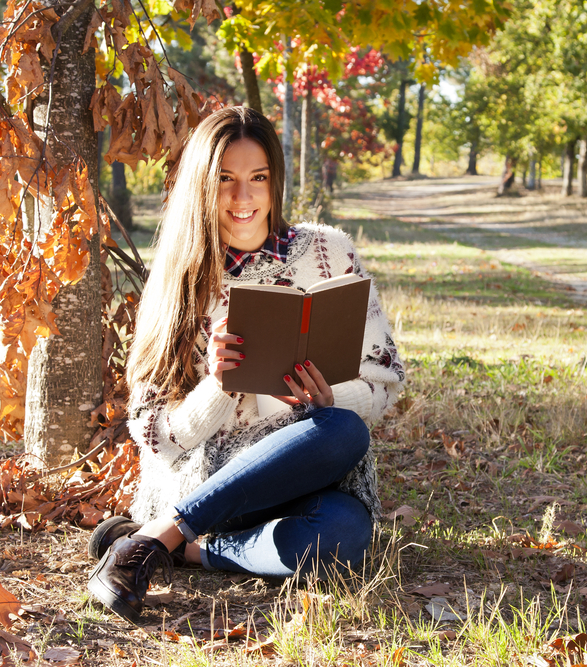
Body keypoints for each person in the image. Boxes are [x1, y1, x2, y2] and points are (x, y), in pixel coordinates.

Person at [87, 107, 404, 623]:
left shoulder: (330, 252)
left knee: (346, 518)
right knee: (341, 432)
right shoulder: (178, 282)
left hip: (313, 467)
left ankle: (171, 545)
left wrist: (330, 397)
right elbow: (153, 435)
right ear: (202, 184)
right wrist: (219, 384)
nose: (243, 197)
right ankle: (169, 531)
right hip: (215, 482)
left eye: (258, 177)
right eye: (225, 179)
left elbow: (385, 381)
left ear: (275, 180)